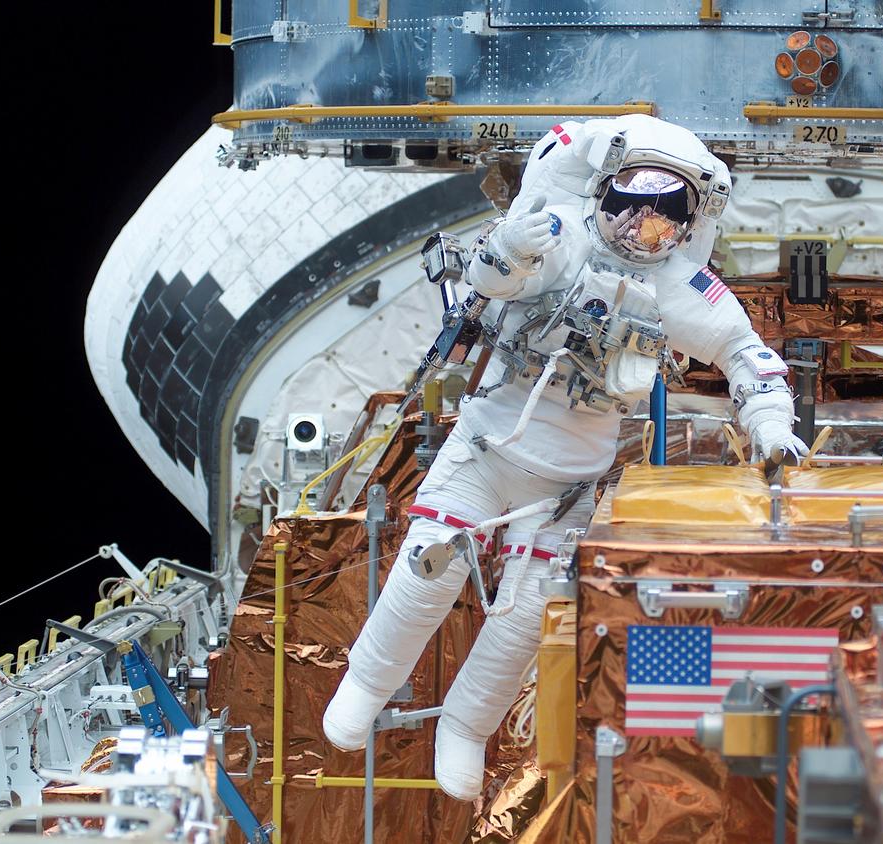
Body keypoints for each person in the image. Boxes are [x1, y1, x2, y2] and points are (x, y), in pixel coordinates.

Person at [322, 114, 808, 800]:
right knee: (431, 562)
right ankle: (366, 684)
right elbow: (494, 280)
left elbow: (747, 356)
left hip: (570, 483)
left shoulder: (682, 288)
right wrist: (512, 247)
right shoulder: (562, 236)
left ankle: (462, 729)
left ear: (688, 224)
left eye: (666, 214)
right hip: (490, 446)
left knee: (527, 613)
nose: (643, 224)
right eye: (631, 201)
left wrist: (770, 425)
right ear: (603, 191)